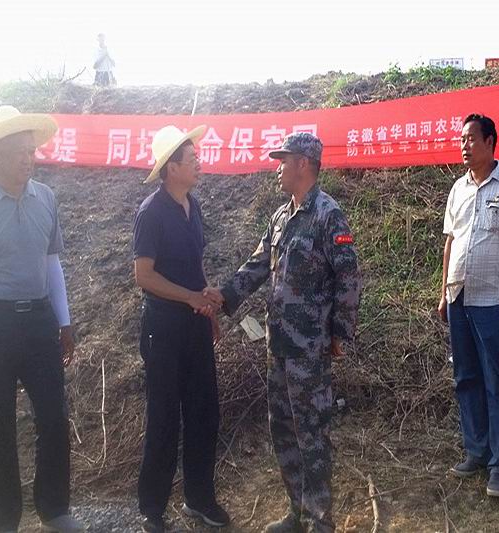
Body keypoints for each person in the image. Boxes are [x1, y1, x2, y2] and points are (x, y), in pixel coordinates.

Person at [208, 132, 361, 533]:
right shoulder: (280, 217)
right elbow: (258, 265)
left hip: (309, 349)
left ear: (304, 164)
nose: (278, 168)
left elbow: (348, 277)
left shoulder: (328, 215)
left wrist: (339, 333)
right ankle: (297, 513)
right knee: (283, 430)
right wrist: (222, 298)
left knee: (312, 434)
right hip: (278, 345)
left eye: (284, 160)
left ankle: (320, 521)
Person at [0, 105, 85, 533]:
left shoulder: (46, 199)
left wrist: (64, 321)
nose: (29, 159)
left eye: (32, 151)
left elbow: (52, 265)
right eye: (20, 151)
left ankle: (54, 509)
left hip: (39, 321)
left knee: (54, 417)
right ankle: (3, 520)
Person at [132, 125, 230, 532]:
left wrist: (207, 308)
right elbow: (143, 275)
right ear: (171, 168)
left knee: (204, 411)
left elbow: (196, 264)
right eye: (192, 160)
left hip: (194, 325)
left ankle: (199, 498)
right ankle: (152, 508)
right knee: (164, 418)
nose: (199, 164)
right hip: (163, 328)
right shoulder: (151, 213)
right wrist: (189, 298)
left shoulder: (194, 206)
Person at [439, 114, 499, 497]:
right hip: (459, 296)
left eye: (470, 139)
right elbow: (450, 241)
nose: (464, 146)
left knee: (497, 381)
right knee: (466, 377)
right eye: (461, 139)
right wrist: (443, 292)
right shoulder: (458, 188)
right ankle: (476, 451)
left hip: (493, 300)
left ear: (490, 142)